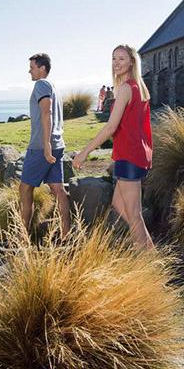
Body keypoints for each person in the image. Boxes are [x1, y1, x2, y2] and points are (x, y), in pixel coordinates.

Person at [73, 45, 154, 249]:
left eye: (122, 59)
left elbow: (111, 127)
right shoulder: (137, 87)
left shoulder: (127, 88)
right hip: (131, 155)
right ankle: (146, 246)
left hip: (130, 156)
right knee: (119, 204)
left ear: (131, 62)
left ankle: (150, 261)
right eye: (114, 59)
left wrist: (84, 152)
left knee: (134, 215)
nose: (116, 63)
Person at [20, 53, 71, 238]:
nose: (29, 71)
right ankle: (67, 235)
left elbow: (47, 112)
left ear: (42, 68)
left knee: (25, 189)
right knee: (58, 189)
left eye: (32, 67)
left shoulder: (41, 84)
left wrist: (46, 144)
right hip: (57, 145)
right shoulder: (54, 87)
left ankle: (20, 239)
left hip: (42, 147)